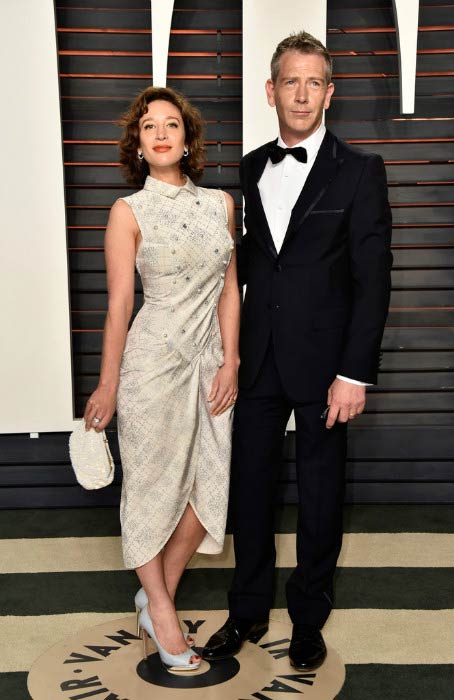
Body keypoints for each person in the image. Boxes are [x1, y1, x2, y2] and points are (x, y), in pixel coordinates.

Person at [203, 31, 392, 671]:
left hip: (325, 364)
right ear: (271, 90)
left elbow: (373, 280)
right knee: (250, 491)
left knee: (320, 493)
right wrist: (226, 353)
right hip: (257, 357)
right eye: (291, 81)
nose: (303, 94)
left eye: (315, 82)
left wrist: (353, 374)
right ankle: (247, 610)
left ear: (330, 93)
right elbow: (251, 269)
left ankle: (308, 616)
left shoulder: (362, 170)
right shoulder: (253, 166)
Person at [83, 86, 240, 674]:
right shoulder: (129, 212)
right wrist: (107, 385)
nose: (161, 133)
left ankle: (155, 598)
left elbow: (229, 288)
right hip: (150, 366)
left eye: (171, 123)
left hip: (210, 366)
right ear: (139, 145)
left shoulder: (221, 204)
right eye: (149, 127)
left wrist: (233, 361)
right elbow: (120, 303)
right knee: (150, 491)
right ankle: (165, 617)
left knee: (209, 491)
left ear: (187, 137)